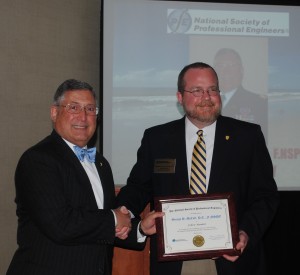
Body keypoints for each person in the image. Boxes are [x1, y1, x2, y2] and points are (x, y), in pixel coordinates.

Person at [115, 62, 279, 275]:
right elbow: (138, 188)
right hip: (175, 262)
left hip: (232, 261)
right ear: (180, 97)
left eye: (213, 89)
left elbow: (265, 196)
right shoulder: (157, 139)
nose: (207, 97)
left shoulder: (248, 137)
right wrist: (121, 214)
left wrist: (246, 232)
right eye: (197, 90)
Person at [6, 79, 162, 275]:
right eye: (74, 108)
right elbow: (60, 224)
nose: (83, 116)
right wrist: (114, 218)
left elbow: (99, 226)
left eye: (90, 109)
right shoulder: (38, 160)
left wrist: (139, 229)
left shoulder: (101, 163)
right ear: (54, 113)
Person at [213, 48, 268, 141]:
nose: (226, 71)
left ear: (241, 70)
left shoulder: (259, 103)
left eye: (232, 65)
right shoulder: (203, 101)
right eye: (221, 66)